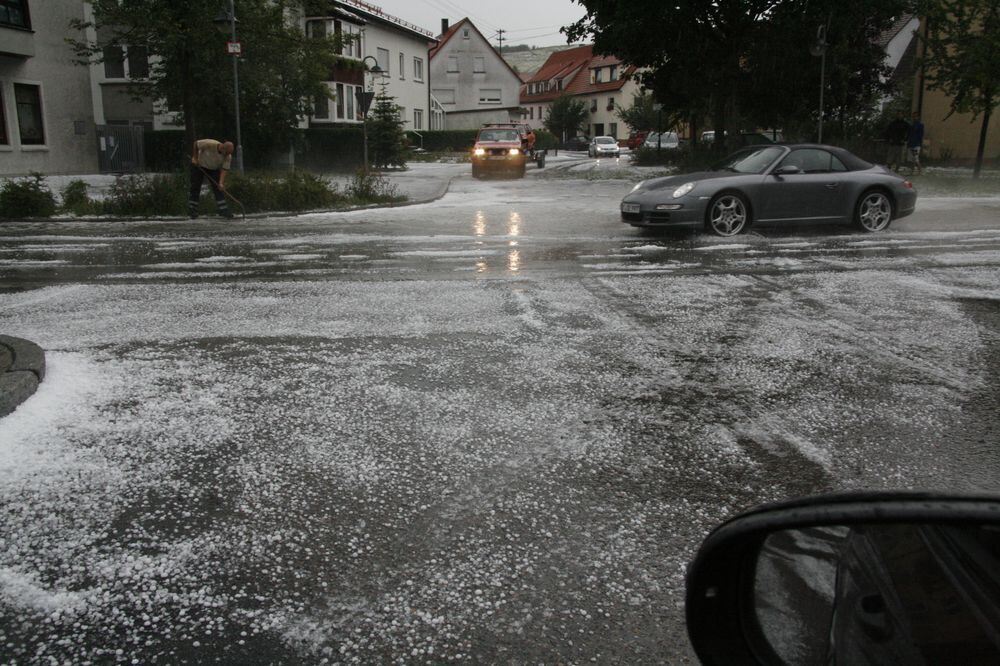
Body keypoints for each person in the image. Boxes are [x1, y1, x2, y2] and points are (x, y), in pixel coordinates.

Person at [189, 139, 235, 219]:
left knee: (218, 188)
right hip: (200, 165)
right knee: (195, 187)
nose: (228, 155)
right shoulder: (210, 144)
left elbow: (224, 170)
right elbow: (196, 144)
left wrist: (221, 183)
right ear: (223, 148)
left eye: (229, 153)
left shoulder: (228, 156)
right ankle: (192, 210)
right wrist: (195, 158)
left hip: (214, 169)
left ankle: (223, 210)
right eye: (227, 153)